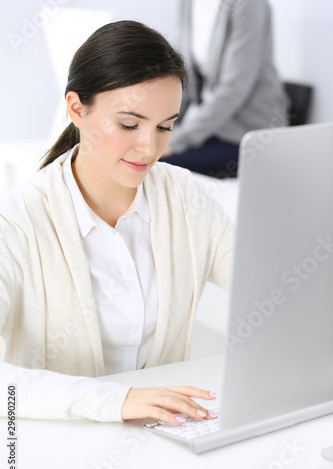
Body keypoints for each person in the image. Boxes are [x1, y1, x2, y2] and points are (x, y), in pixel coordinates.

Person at [0, 20, 233, 425]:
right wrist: (115, 401)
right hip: (53, 448)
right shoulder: (16, 223)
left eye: (165, 126)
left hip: (163, 440)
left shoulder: (184, 197)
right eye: (129, 124)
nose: (150, 148)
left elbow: (268, 285)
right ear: (77, 110)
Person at [162, 0, 289, 178]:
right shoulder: (188, 3)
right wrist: (162, 127)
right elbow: (186, 79)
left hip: (246, 136)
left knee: (157, 166)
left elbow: (234, 88)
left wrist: (177, 142)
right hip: (213, 130)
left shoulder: (248, 4)